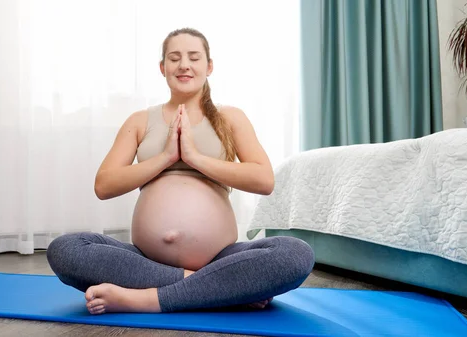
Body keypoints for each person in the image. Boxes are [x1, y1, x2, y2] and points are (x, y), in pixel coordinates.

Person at [46, 27, 315, 315]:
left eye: (194, 57)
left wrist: (195, 157)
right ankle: (218, 289)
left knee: (295, 255)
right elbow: (104, 185)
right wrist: (165, 157)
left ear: (209, 66)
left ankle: (145, 300)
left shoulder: (230, 117)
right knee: (66, 249)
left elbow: (264, 180)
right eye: (174, 58)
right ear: (162, 68)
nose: (184, 64)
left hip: (220, 258)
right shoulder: (140, 121)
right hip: (147, 260)